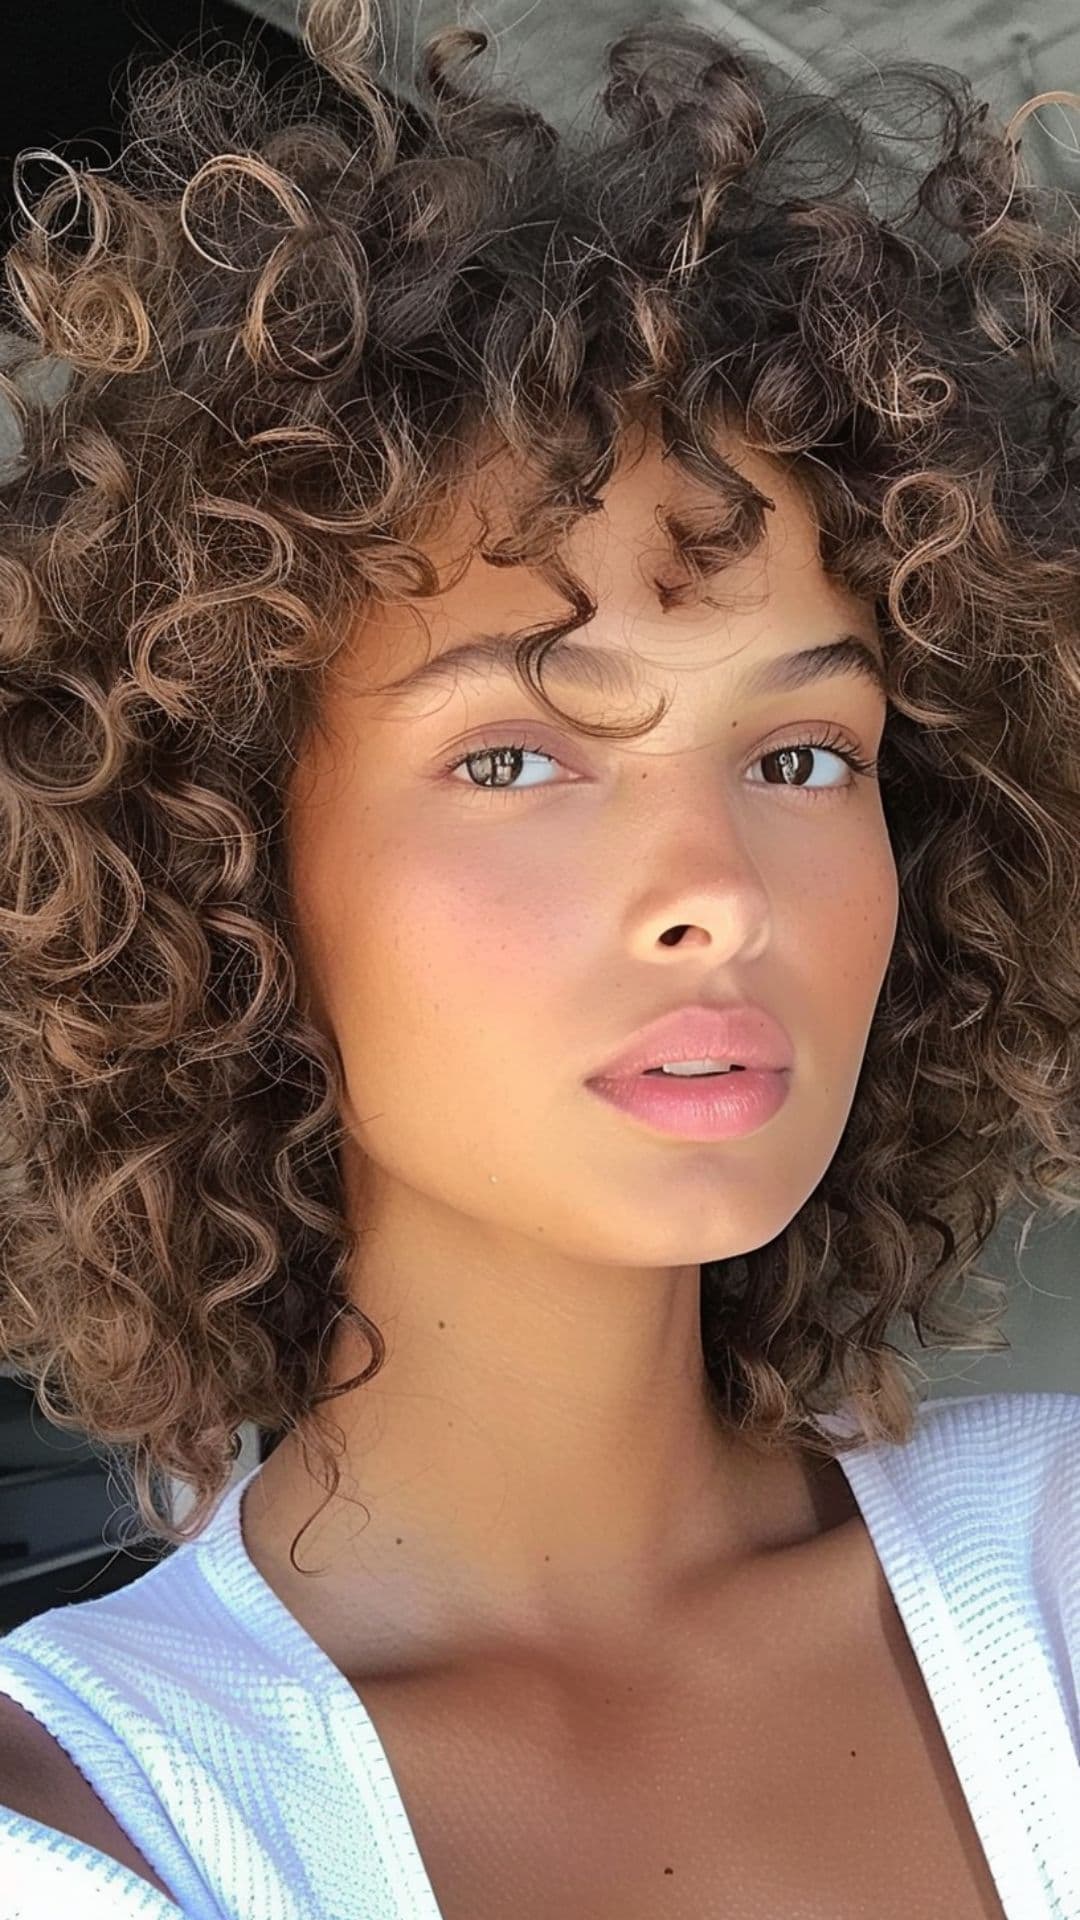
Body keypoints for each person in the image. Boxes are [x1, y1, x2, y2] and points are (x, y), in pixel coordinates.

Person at [0, 3, 1077, 1915]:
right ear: (224, 873)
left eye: (801, 754)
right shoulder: (87, 1828)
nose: (717, 889)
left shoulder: (1061, 1568)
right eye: (517, 758)